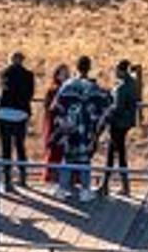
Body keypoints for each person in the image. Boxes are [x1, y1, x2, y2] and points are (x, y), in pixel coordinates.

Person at [51, 56, 113, 202]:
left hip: (70, 129)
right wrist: (97, 126)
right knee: (84, 160)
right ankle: (85, 191)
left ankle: (62, 189)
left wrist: (63, 123)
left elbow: (56, 106)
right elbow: (107, 105)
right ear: (89, 68)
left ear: (77, 67)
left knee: (67, 159)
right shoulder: (93, 88)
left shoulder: (67, 85)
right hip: (86, 130)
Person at [99, 59, 140, 195]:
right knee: (117, 153)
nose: (115, 72)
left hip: (118, 123)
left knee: (114, 154)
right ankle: (117, 185)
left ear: (121, 71)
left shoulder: (122, 87)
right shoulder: (132, 83)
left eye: (117, 70)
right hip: (126, 123)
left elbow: (117, 107)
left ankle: (108, 185)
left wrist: (106, 116)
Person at [0, 51, 35, 190]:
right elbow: (30, 95)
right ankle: (22, 177)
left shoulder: (4, 73)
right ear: (22, 60)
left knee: (6, 148)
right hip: (20, 113)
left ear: (11, 59)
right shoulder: (29, 75)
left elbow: (2, 92)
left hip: (5, 113)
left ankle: (7, 180)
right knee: (20, 146)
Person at [41, 63, 70, 187]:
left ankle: (65, 177)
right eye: (63, 73)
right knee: (54, 150)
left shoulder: (69, 89)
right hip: (55, 123)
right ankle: (52, 177)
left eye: (67, 73)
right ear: (57, 75)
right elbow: (48, 108)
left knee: (65, 151)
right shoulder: (53, 90)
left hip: (66, 123)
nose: (66, 76)